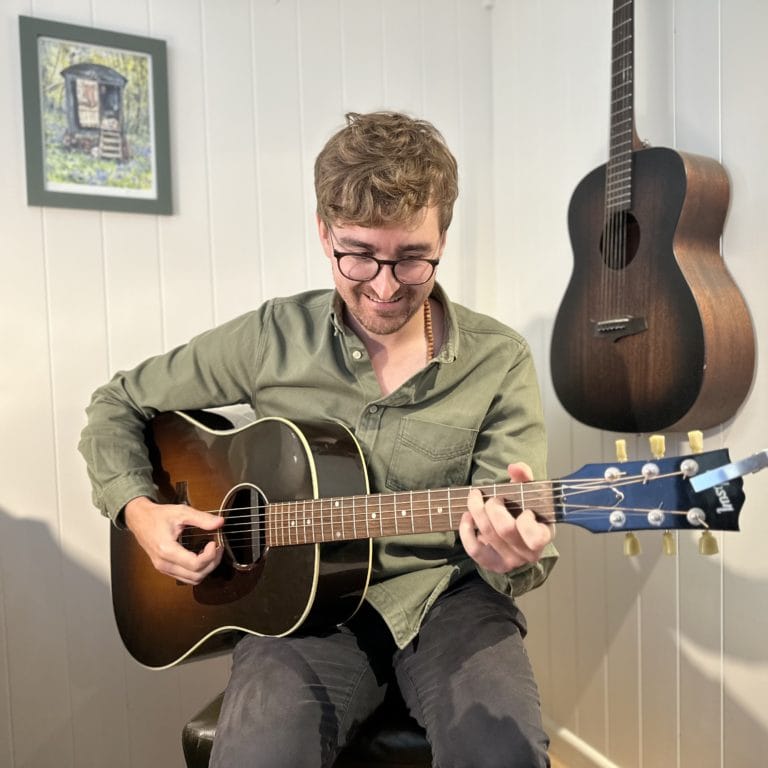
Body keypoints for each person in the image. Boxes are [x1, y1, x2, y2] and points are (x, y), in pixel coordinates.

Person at [79, 111, 558, 767]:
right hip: (297, 618)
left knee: (503, 752)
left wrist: (512, 554)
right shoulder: (271, 337)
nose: (386, 287)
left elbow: (517, 519)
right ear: (324, 231)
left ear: (444, 233)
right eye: (359, 255)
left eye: (413, 258)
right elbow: (118, 403)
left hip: (447, 601)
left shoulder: (499, 359)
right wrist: (140, 511)